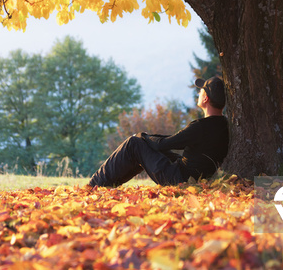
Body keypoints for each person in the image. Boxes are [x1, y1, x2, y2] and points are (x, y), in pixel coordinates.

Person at [88, 76, 229, 187]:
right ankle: (104, 185)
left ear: (206, 98)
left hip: (179, 179)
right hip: (194, 177)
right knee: (144, 146)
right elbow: (173, 141)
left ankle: (93, 185)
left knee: (133, 143)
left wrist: (143, 137)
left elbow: (165, 144)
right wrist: (148, 139)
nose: (198, 93)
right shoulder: (224, 125)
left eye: (201, 91)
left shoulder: (200, 127)